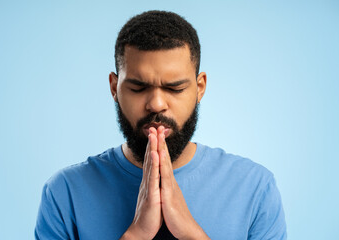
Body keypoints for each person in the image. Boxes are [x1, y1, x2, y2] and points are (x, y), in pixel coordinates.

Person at [35, 10, 287, 240]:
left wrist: (192, 234)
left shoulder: (255, 188)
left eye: (174, 88)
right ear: (114, 87)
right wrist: (136, 235)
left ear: (200, 88)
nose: (156, 104)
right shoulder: (64, 193)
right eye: (138, 88)